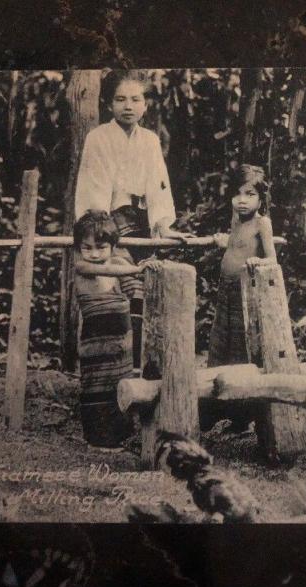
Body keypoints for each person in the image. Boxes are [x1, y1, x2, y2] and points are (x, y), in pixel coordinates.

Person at [74, 70, 184, 369]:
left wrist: (162, 223)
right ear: (108, 104)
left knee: (145, 289)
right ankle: (113, 367)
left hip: (142, 221)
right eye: (120, 99)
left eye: (136, 99)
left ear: (145, 104)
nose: (128, 106)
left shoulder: (148, 140)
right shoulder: (98, 138)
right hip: (110, 222)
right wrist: (101, 232)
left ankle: (140, 367)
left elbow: (159, 185)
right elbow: (93, 187)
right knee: (121, 287)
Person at [73, 210, 159, 449]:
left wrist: (147, 271)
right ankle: (98, 438)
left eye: (100, 247)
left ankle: (122, 435)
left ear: (112, 245)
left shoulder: (121, 263)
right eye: (86, 247)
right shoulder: (82, 267)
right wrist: (135, 269)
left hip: (121, 338)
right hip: (95, 340)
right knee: (96, 386)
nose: (93, 254)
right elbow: (110, 271)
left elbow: (136, 290)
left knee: (120, 383)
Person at [202, 165, 276, 432]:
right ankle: (217, 410)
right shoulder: (237, 221)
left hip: (247, 296)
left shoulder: (262, 223)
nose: (242, 200)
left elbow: (272, 259)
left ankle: (243, 416)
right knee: (221, 345)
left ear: (260, 198)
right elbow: (236, 244)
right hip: (227, 292)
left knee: (241, 349)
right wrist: (225, 242)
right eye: (237, 194)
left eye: (249, 194)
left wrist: (259, 261)